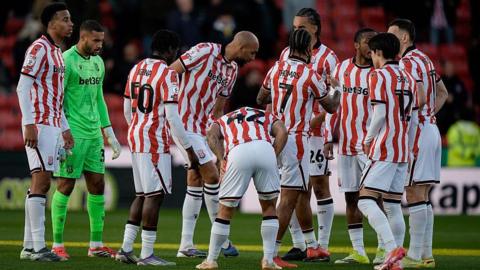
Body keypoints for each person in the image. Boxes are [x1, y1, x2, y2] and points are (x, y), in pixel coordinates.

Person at [169, 31, 259, 258]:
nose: (254, 58)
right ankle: (222, 239)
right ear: (241, 46)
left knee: (196, 180)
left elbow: (218, 109)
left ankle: (186, 246)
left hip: (201, 129)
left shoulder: (232, 70)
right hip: (181, 122)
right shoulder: (205, 50)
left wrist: (220, 135)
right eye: (252, 52)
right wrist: (167, 107)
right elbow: (171, 72)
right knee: (211, 175)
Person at [257, 29, 340, 268]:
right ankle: (271, 254)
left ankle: (312, 246)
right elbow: (331, 107)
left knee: (301, 194)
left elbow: (261, 98)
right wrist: (337, 89)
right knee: (288, 199)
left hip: (274, 137)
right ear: (307, 50)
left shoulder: (275, 69)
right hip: (296, 141)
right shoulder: (311, 74)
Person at [116, 29, 199, 266]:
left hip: (135, 136)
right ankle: (147, 254)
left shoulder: (136, 68)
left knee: (142, 194)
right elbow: (173, 118)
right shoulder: (169, 74)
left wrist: (138, 127)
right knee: (155, 195)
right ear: (172, 50)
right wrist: (189, 150)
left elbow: (125, 108)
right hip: (154, 141)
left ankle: (125, 248)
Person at [49, 20, 121, 260]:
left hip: (93, 135)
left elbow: (99, 99)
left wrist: (109, 132)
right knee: (66, 185)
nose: (100, 45)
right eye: (96, 40)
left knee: (97, 185)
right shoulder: (66, 61)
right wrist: (63, 130)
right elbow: (56, 99)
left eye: (102, 40)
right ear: (83, 38)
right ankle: (57, 244)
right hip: (73, 134)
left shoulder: (99, 63)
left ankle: (96, 244)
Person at [277, 8, 339, 263]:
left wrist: (326, 129)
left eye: (301, 27)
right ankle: (300, 244)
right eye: (294, 27)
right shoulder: (285, 53)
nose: (296, 31)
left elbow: (337, 96)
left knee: (318, 185)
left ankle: (321, 245)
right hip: (290, 132)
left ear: (315, 28)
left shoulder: (329, 58)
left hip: (315, 131)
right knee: (292, 189)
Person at [388, 18, 449, 268]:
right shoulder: (424, 59)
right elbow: (442, 92)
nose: (388, 37)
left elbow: (420, 98)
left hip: (418, 132)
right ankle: (426, 255)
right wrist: (429, 117)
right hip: (430, 129)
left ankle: (414, 255)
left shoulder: (407, 63)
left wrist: (411, 116)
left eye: (391, 34)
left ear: (404, 38)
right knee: (422, 193)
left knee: (413, 191)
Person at [196, 107, 288, 270]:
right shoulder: (266, 115)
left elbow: (211, 135)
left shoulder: (223, 119)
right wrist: (273, 153)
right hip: (264, 148)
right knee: (269, 207)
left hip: (238, 151)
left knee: (225, 209)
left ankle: (211, 260)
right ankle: (268, 260)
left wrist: (221, 157)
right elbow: (282, 131)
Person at [18, 2, 74, 262]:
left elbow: (56, 96)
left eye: (70, 19)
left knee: (39, 183)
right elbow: (22, 87)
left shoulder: (57, 52)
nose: (70, 24)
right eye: (65, 19)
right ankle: (39, 248)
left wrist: (65, 128)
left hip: (52, 123)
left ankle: (30, 247)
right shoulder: (39, 48)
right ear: (51, 23)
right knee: (42, 182)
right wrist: (29, 123)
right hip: (39, 124)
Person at [357, 32, 418, 270]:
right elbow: (411, 118)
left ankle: (392, 248)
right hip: (402, 148)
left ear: (378, 52)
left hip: (384, 147)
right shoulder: (408, 77)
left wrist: (368, 138)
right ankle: (395, 262)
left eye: (372, 53)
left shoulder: (378, 76)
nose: (371, 57)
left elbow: (380, 113)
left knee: (365, 201)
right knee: (392, 205)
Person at [322, 28, 379, 265]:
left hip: (370, 144)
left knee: (377, 197)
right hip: (345, 143)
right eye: (367, 42)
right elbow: (332, 105)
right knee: (351, 198)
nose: (371, 47)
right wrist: (327, 137)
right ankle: (359, 252)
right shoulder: (342, 69)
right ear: (356, 45)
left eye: (373, 43)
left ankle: (386, 248)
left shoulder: (379, 72)